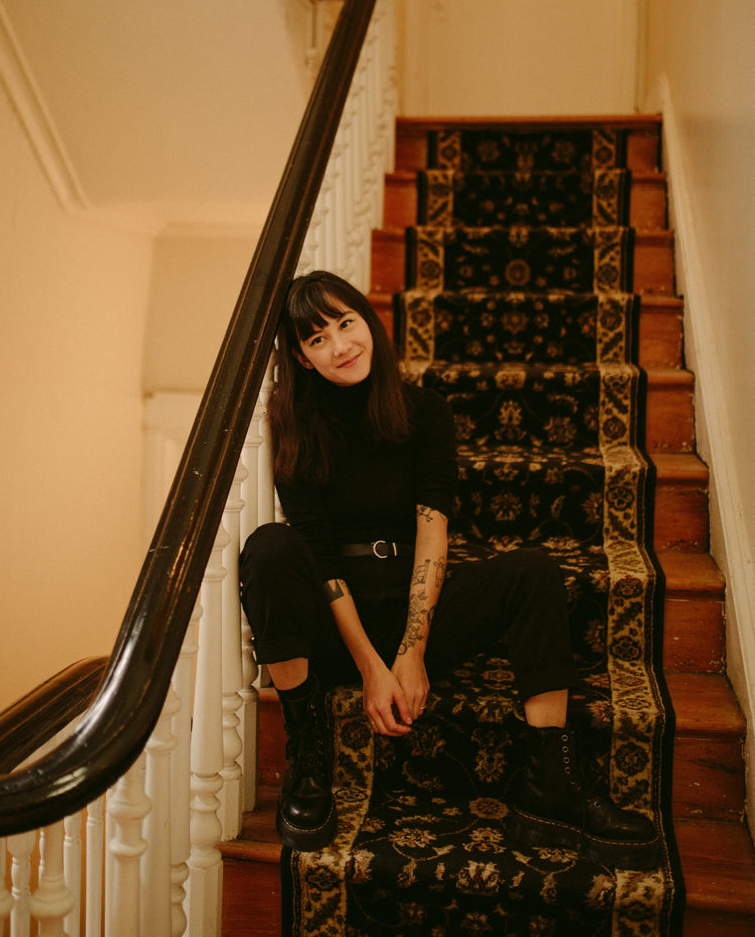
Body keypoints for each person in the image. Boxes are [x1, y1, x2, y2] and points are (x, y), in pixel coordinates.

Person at [239, 271, 658, 867]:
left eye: (345, 323)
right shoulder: (297, 426)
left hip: (412, 603)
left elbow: (432, 530)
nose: (339, 346)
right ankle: (308, 757)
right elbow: (320, 555)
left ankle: (552, 787)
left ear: (369, 323)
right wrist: (369, 667)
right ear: (304, 360)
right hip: (338, 626)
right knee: (270, 547)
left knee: (534, 570)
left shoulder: (423, 411)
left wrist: (411, 651)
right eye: (316, 340)